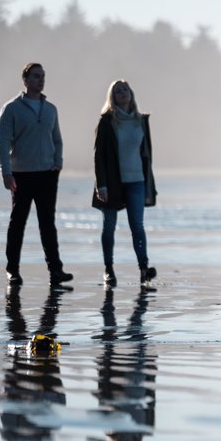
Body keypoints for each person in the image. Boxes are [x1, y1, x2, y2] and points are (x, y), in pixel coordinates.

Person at [0, 61, 71, 287]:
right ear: (26, 80)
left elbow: (57, 139)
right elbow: (2, 142)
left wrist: (58, 162)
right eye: (36, 76)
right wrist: (6, 172)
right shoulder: (11, 108)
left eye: (43, 76)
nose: (40, 80)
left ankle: (56, 271)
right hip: (21, 174)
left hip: (47, 173)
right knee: (17, 222)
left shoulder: (50, 109)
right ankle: (13, 270)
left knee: (47, 223)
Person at [91, 79, 158, 289]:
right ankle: (108, 269)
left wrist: (150, 183)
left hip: (136, 180)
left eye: (125, 89)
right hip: (112, 182)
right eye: (118, 90)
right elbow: (98, 155)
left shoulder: (141, 120)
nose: (122, 92)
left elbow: (146, 154)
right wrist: (101, 185)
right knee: (109, 227)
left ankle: (143, 270)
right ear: (112, 97)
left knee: (137, 226)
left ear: (131, 93)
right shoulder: (107, 121)